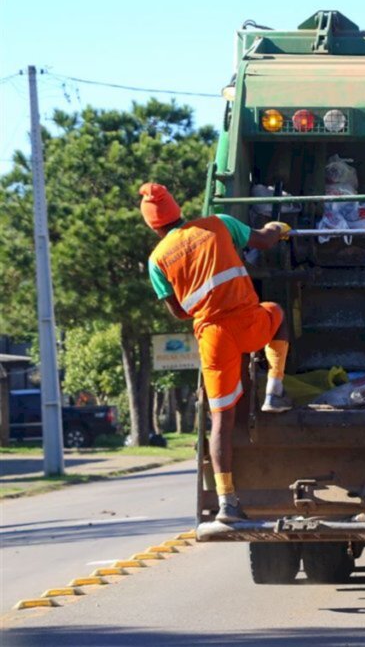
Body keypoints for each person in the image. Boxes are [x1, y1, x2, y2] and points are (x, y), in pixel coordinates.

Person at [140, 182, 291, 523]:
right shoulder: (218, 223)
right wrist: (278, 227)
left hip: (213, 337)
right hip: (249, 322)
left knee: (221, 419)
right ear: (177, 210)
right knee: (277, 312)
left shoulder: (157, 260)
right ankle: (275, 391)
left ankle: (227, 502)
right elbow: (264, 241)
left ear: (153, 225)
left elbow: (178, 311)